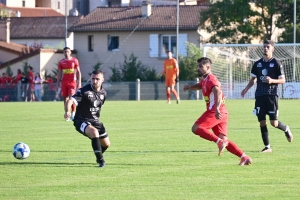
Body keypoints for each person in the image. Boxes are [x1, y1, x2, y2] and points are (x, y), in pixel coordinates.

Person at [184, 57, 252, 166]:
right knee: (225, 139)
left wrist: (216, 108)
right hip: (223, 112)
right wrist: (190, 87)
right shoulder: (205, 79)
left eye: (201, 66)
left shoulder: (211, 79)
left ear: (208, 67)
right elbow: (200, 86)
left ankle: (219, 142)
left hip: (215, 111)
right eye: (198, 66)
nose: (198, 68)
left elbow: (218, 92)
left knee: (196, 128)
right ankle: (244, 157)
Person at [241, 40, 293, 153]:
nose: (265, 49)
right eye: (264, 47)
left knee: (273, 123)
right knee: (262, 122)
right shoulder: (257, 64)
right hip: (259, 95)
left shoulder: (277, 63)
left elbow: (283, 80)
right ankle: (267, 147)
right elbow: (253, 79)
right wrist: (246, 89)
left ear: (272, 49)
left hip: (272, 95)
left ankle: (286, 128)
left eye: (268, 47)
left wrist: (272, 81)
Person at [64, 70, 110, 168]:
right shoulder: (84, 91)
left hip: (95, 121)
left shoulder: (103, 93)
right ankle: (101, 161)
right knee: (94, 133)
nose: (95, 81)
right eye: (93, 79)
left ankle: (98, 153)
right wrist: (68, 111)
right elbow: (70, 100)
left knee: (106, 144)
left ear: (102, 79)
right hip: (81, 120)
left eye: (97, 79)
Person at [58, 47, 82, 121]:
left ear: (70, 52)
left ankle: (73, 114)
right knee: (65, 99)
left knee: (72, 98)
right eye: (65, 52)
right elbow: (59, 73)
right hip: (64, 82)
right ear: (63, 53)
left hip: (72, 82)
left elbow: (78, 72)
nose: (66, 53)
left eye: (68, 51)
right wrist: (58, 82)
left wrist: (79, 82)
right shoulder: (61, 62)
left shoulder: (75, 60)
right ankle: (67, 114)